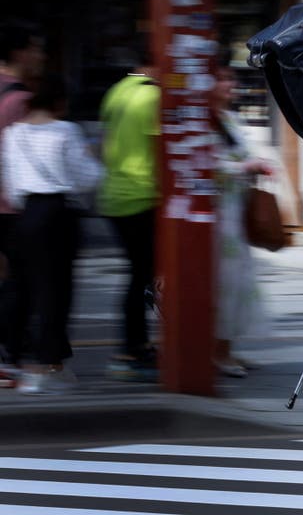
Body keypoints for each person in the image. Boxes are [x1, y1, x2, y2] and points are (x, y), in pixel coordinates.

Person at [1, 74, 103, 394]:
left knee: (23, 287)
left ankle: (14, 356)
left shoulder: (14, 133)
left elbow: (12, 184)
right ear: (60, 102)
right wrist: (93, 158)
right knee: (56, 291)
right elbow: (89, 178)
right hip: (57, 213)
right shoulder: (66, 131)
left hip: (26, 213)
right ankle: (51, 364)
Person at [97, 45, 161, 381]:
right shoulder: (152, 98)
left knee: (139, 274)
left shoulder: (117, 91)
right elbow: (162, 149)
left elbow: (105, 144)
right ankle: (132, 349)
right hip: (142, 195)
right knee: (141, 276)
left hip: (113, 196)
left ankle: (136, 345)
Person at [210, 55, 274, 377]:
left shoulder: (227, 119)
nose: (231, 85)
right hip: (216, 219)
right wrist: (245, 167)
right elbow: (208, 168)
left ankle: (226, 350)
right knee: (225, 285)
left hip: (235, 214)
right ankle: (218, 354)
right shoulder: (203, 123)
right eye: (224, 79)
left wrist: (255, 164)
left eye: (231, 80)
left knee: (236, 284)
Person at [0, 21, 44, 385]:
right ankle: (9, 355)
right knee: (19, 283)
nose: (39, 55)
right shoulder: (21, 100)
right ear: (19, 52)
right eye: (35, 48)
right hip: (12, 206)